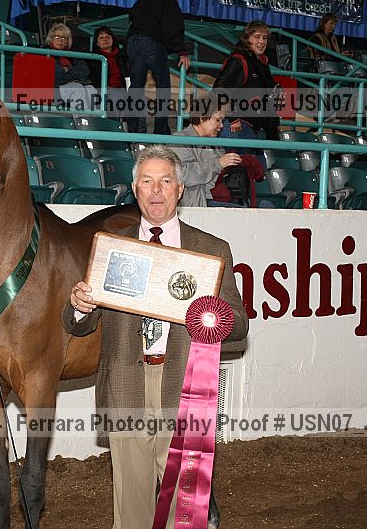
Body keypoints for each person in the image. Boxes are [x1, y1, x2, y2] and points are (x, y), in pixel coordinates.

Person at [63, 144, 248, 529]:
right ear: (135, 190)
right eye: (147, 182)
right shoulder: (111, 247)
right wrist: (80, 306)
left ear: (180, 189)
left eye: (165, 181)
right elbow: (78, 325)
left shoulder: (212, 250)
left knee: (185, 510)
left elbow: (240, 326)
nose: (156, 190)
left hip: (185, 387)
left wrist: (211, 316)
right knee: (131, 511)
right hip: (126, 385)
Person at [213, 20, 280, 169]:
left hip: (254, 126)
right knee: (239, 172)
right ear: (247, 38)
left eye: (264, 38)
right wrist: (232, 117)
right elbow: (219, 89)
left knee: (255, 171)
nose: (261, 42)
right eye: (257, 37)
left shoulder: (262, 63)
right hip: (237, 126)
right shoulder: (238, 60)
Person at [126, 0, 190, 135]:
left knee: (136, 88)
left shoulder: (144, 0)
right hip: (152, 42)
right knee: (163, 88)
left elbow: (132, 16)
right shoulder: (168, 1)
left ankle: (133, 130)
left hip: (133, 41)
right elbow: (172, 27)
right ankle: (161, 131)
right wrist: (181, 51)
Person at [170, 94, 245, 207]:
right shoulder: (178, 141)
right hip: (197, 203)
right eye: (218, 120)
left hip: (216, 199)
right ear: (202, 117)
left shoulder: (214, 144)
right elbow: (183, 176)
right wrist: (219, 164)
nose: (221, 125)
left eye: (222, 121)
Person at [47, 23, 98, 112]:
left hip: (68, 86)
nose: (61, 40)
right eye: (57, 37)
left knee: (91, 90)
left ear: (67, 41)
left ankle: (90, 118)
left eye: (64, 38)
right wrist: (73, 75)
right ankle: (80, 118)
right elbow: (57, 76)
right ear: (51, 39)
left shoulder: (72, 54)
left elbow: (84, 73)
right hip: (52, 89)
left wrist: (67, 70)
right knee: (77, 88)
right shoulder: (45, 53)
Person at [87, 26, 128, 121]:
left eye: (108, 37)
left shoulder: (122, 57)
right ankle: (113, 126)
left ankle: (137, 130)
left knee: (140, 96)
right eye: (101, 38)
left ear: (113, 40)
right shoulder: (92, 58)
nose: (105, 39)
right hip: (102, 90)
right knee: (115, 97)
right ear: (97, 43)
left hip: (122, 89)